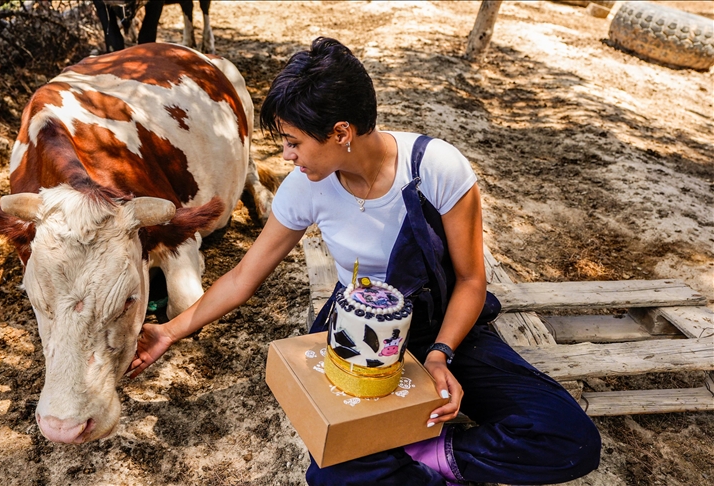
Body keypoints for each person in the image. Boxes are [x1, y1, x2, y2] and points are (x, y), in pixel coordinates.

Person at [128, 37, 601, 486]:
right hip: (355, 330)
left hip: (443, 322)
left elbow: (471, 280)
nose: (287, 156)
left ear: (341, 132)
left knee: (569, 438)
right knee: (331, 470)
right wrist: (169, 331)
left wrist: (440, 356)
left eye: (294, 142)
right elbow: (244, 276)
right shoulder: (305, 186)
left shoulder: (435, 168)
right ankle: (410, 453)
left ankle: (429, 455)